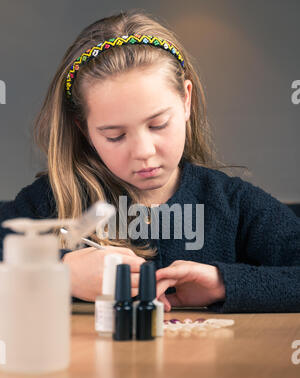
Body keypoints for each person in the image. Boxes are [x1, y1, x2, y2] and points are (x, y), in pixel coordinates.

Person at [0, 9, 299, 313]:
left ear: (186, 100)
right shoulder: (51, 202)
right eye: (115, 135)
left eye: (158, 125)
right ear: (84, 129)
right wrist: (60, 275)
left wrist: (224, 283)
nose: (143, 151)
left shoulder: (234, 204)